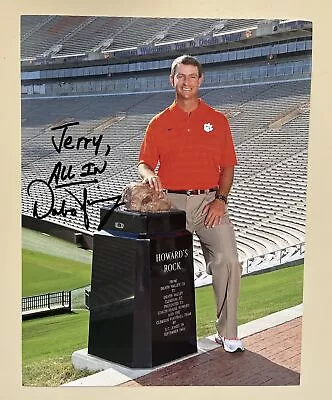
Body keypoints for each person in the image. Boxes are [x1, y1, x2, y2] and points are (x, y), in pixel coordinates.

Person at [137, 55, 244, 353]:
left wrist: (220, 201)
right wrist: (148, 175)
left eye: (192, 76)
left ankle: (228, 332)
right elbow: (144, 162)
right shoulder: (158, 123)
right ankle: (164, 335)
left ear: (201, 80)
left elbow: (228, 167)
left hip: (210, 202)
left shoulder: (218, 120)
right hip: (171, 205)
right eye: (180, 76)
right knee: (164, 269)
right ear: (172, 80)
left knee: (228, 261)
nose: (186, 82)